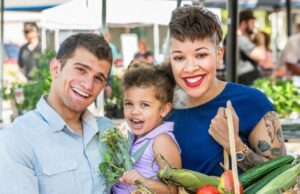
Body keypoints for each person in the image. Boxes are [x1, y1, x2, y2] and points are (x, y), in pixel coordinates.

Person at [166, 5, 286, 176]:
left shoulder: (252, 102)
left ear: (219, 55)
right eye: (179, 57)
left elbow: (283, 177)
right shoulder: (161, 108)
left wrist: (235, 145)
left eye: (201, 55)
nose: (190, 68)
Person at [0, 33, 114, 194]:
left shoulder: (107, 131)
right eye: (81, 70)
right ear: (56, 68)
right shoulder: (17, 139)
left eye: (98, 78)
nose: (88, 85)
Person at [113, 60, 181, 194]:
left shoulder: (161, 141)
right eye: (129, 103)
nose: (134, 111)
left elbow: (173, 190)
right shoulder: (134, 137)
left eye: (144, 105)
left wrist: (142, 181)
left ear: (164, 110)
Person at [236, 10, 266, 85]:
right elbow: (261, 56)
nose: (253, 26)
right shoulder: (240, 39)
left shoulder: (236, 38)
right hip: (246, 78)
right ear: (243, 23)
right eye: (252, 23)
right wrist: (261, 40)